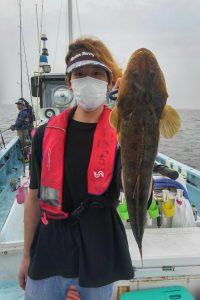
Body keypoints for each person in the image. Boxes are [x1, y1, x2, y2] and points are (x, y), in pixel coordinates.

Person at [19, 37, 135, 300]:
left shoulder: (121, 133)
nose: (89, 79)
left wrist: (137, 125)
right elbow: (35, 198)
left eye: (97, 73)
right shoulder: (45, 134)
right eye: (80, 74)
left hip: (99, 250)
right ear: (69, 81)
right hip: (49, 249)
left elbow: (137, 191)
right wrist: (26, 255)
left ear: (109, 80)